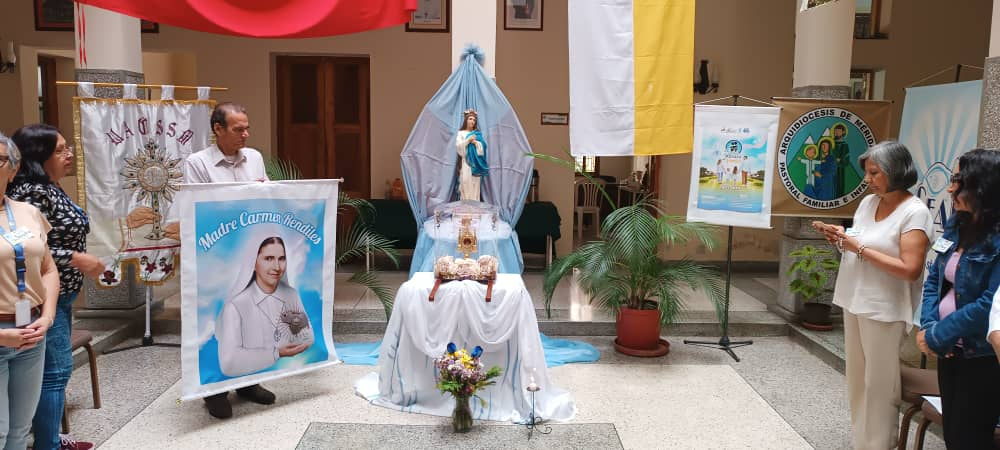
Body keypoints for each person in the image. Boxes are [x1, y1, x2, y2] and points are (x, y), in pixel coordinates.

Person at [813, 141, 932, 449]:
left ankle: (879, 443)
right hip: (853, 297)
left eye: (875, 173)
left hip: (883, 307)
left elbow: (910, 269)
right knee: (857, 378)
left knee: (879, 383)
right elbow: (858, 239)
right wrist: (840, 237)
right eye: (867, 172)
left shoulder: (915, 212)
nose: (867, 179)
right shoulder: (868, 203)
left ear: (896, 171)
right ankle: (862, 441)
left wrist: (859, 248)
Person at [7, 124, 103, 450]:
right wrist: (76, 258)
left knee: (53, 370)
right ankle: (48, 444)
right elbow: (30, 250)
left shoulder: (50, 186)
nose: (69, 154)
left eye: (67, 148)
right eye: (60, 150)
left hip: (61, 294)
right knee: (55, 372)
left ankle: (49, 438)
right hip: (43, 297)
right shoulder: (32, 192)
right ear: (38, 155)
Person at [184, 102, 273, 419]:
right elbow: (199, 206)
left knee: (253, 314)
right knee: (216, 319)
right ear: (218, 129)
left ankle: (248, 382)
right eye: (238, 129)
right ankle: (214, 390)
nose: (245, 135)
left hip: (250, 250)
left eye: (247, 128)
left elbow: (266, 198)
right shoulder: (197, 163)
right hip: (216, 256)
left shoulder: (255, 158)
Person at [917, 148, 1000, 449]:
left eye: (958, 181)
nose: (951, 188)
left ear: (983, 186)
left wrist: (939, 334)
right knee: (953, 435)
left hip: (981, 356)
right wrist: (929, 328)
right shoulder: (956, 224)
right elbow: (935, 280)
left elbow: (991, 303)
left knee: (970, 438)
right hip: (948, 351)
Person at [0, 131, 57, 450]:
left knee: (20, 431)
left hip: (31, 331)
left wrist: (47, 317)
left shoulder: (28, 212)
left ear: (13, 169)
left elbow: (48, 269)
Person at [217, 236, 312, 377]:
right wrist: (277, 353)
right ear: (254, 263)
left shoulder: (292, 294)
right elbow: (228, 363)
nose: (277, 267)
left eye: (281, 259)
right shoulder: (235, 306)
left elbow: (308, 338)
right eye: (268, 259)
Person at [455, 109, 488, 201]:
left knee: (475, 185)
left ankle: (474, 205)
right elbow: (459, 147)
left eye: (474, 120)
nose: (472, 121)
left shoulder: (477, 134)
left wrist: (476, 143)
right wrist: (468, 140)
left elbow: (484, 147)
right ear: (466, 120)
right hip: (466, 163)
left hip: (476, 164)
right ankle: (466, 206)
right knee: (465, 182)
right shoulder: (461, 133)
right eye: (470, 119)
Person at [832, 123, 851, 197]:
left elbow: (846, 155)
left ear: (843, 132)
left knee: (840, 182)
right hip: (832, 166)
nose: (837, 133)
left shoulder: (845, 144)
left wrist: (841, 160)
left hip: (840, 167)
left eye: (839, 131)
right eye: (836, 131)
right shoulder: (832, 143)